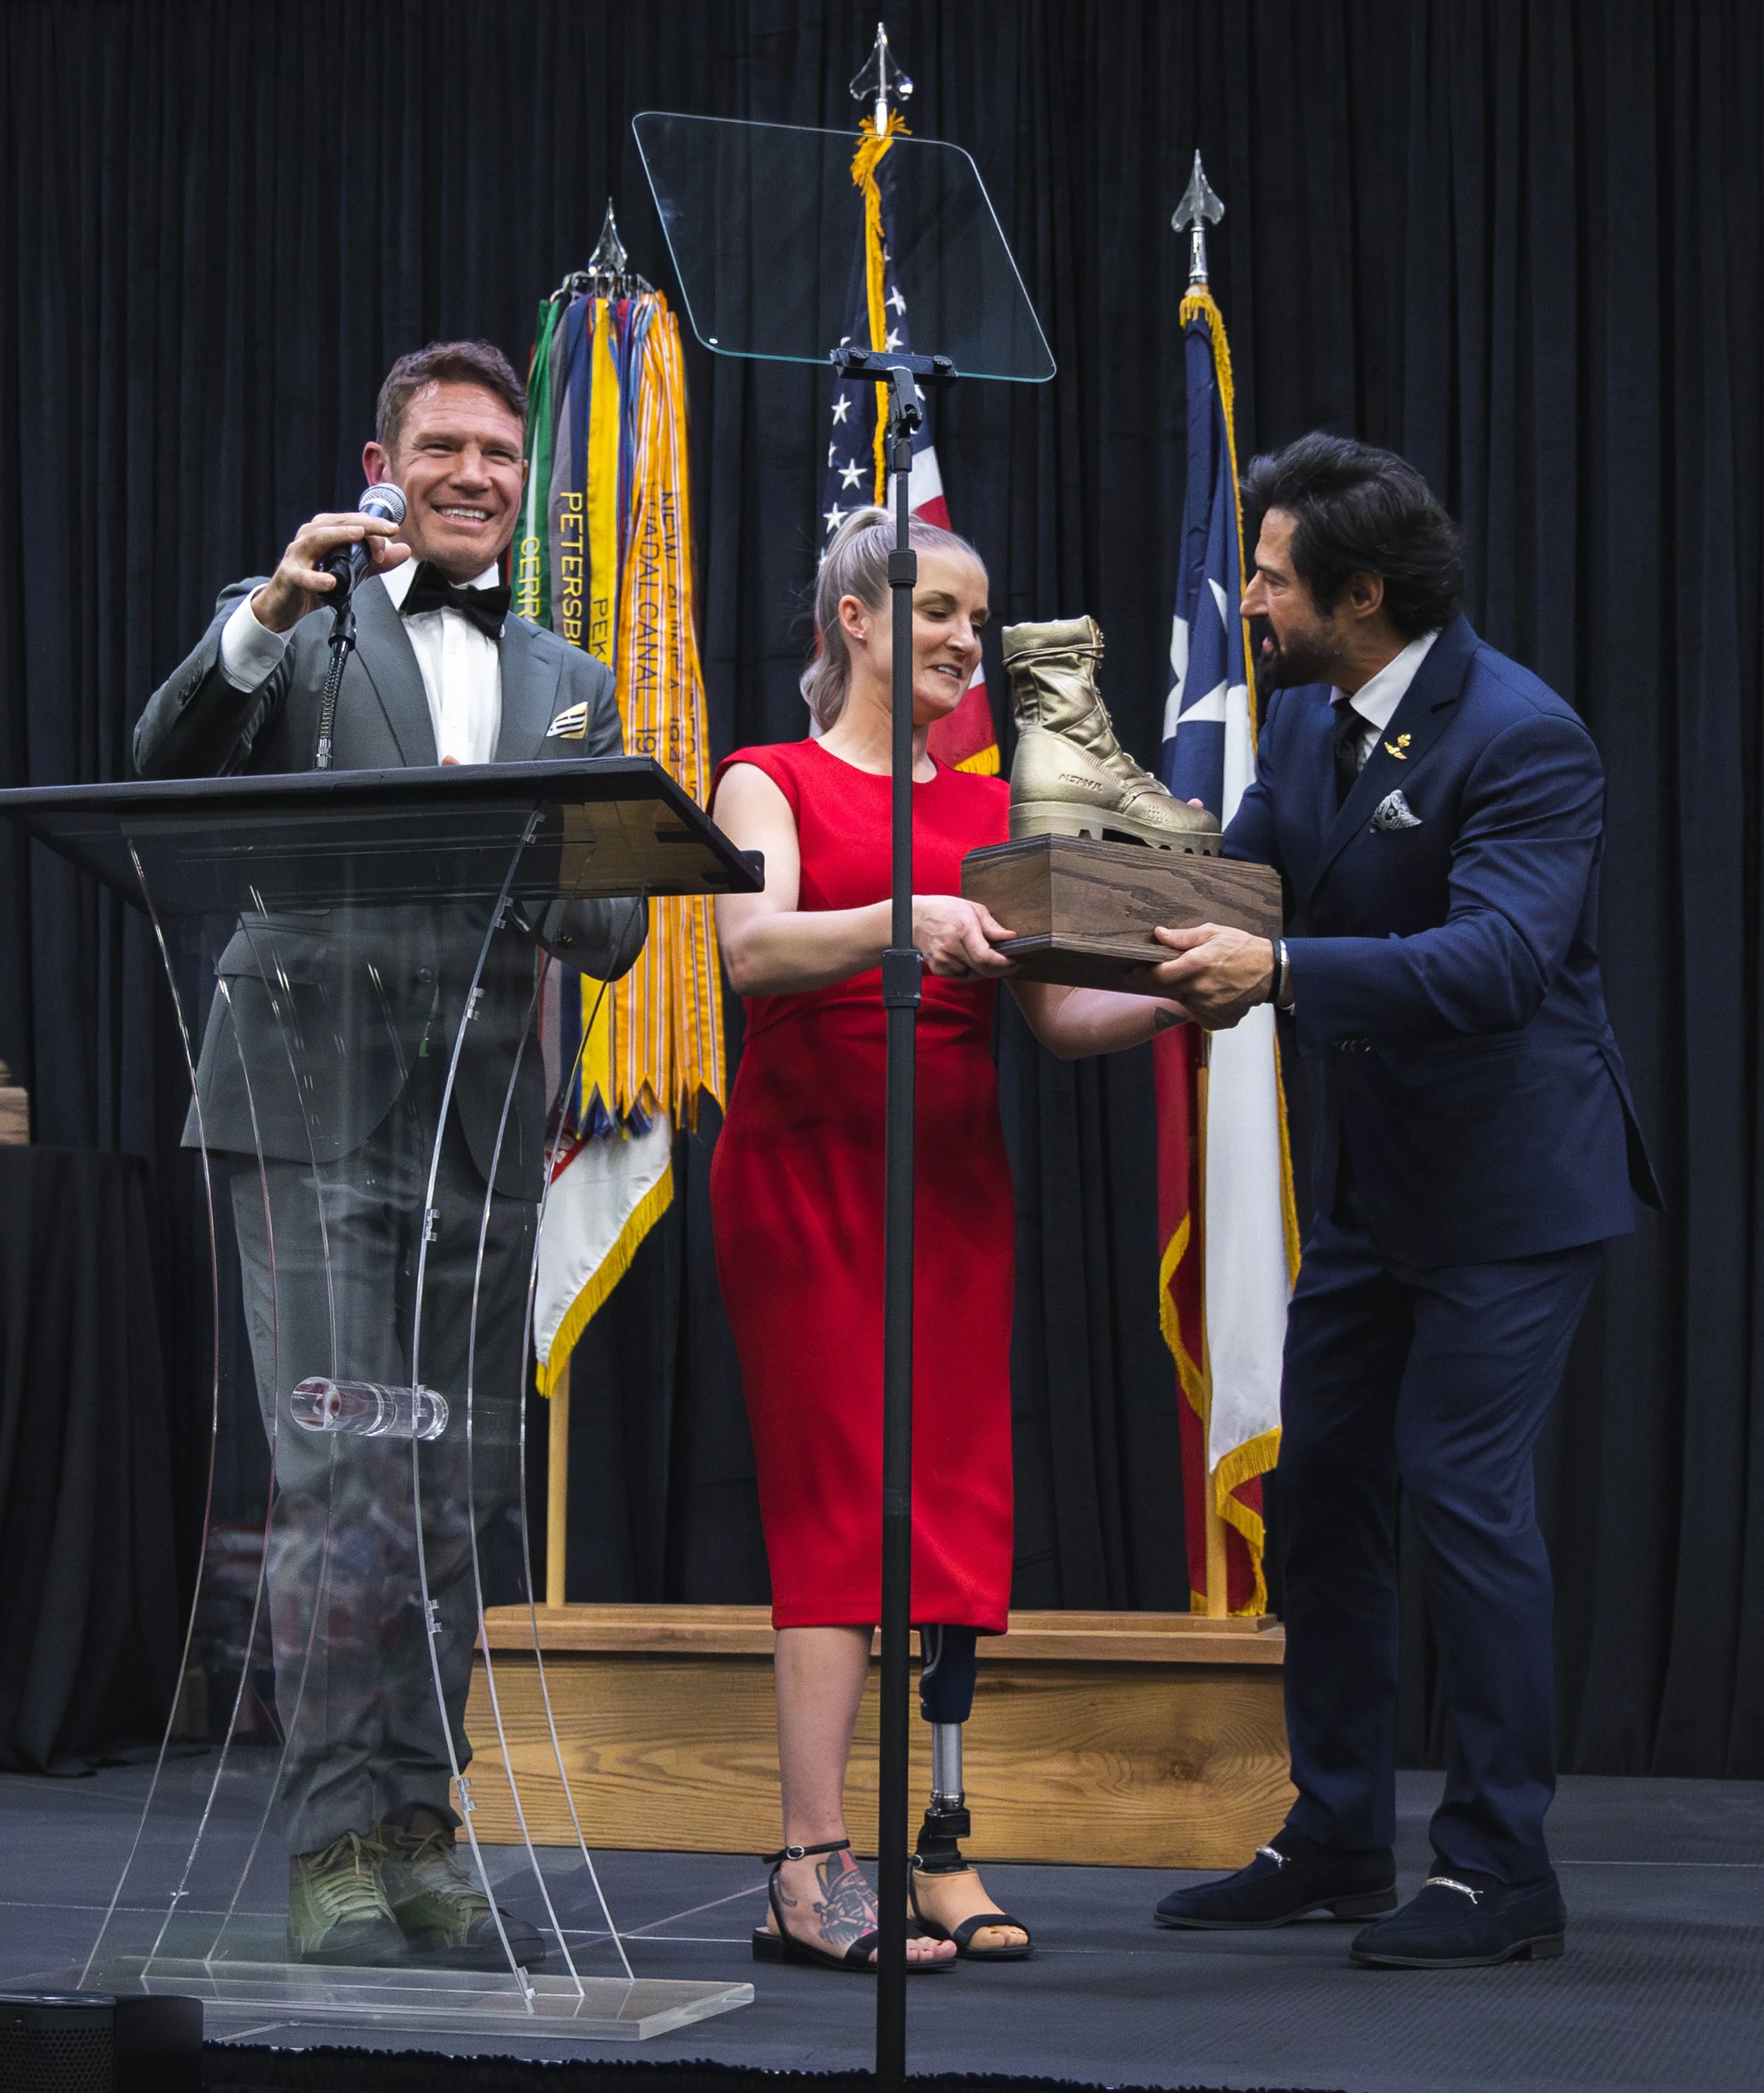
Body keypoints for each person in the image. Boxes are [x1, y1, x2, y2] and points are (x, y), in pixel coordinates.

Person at [135, 340, 644, 1970]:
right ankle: (331, 1833)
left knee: (446, 1490)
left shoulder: (568, 673)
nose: (476, 474)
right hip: (305, 1100)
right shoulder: (301, 625)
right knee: (336, 1475)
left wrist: (531, 841)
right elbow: (164, 766)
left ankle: (425, 1820)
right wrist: (268, 610)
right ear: (382, 460)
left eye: (500, 453)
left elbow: (617, 926)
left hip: (480, 1126)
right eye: (445, 447)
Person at [1147, 433, 1660, 1968]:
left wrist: (1283, 972)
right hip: (1379, 1195)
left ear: (1357, 593)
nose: (1244, 597)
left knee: (1459, 1488)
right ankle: (1336, 1836)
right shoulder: (1301, 731)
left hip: (1514, 1191)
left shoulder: (1521, 735)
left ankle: (1501, 1869)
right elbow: (1221, 912)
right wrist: (1050, 959)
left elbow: (1498, 964)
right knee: (1322, 1498)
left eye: (1267, 574)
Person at [710, 507, 1185, 1973]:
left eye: (974, 619)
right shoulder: (765, 777)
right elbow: (749, 947)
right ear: (850, 615)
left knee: (947, 1509)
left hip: (953, 1185)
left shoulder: (989, 818)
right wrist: (900, 919)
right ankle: (805, 1861)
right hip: (808, 1179)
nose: (961, 641)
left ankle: (937, 1851)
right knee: (841, 1511)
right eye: (934, 610)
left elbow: (1051, 1016)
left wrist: (1196, 996)